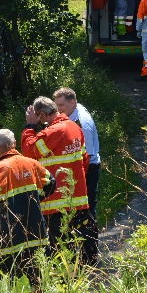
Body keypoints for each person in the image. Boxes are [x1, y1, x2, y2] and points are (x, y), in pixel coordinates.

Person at [0, 128, 56, 286]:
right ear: (14, 144)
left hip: (6, 240)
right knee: (38, 282)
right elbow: (51, 183)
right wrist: (37, 200)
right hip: (35, 235)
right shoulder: (32, 164)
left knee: (5, 286)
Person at [21, 96, 98, 266]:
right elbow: (85, 160)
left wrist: (30, 126)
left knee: (59, 244)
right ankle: (86, 268)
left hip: (57, 201)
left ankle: (65, 278)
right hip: (77, 197)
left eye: (38, 117)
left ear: (41, 115)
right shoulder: (74, 127)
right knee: (78, 236)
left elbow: (29, 151)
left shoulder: (52, 132)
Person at [52, 87, 101, 219]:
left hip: (88, 168)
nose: (58, 110)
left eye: (61, 105)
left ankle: (91, 238)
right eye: (56, 106)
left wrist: (79, 180)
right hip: (80, 167)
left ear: (72, 102)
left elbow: (87, 155)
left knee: (87, 208)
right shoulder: (73, 110)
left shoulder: (82, 124)